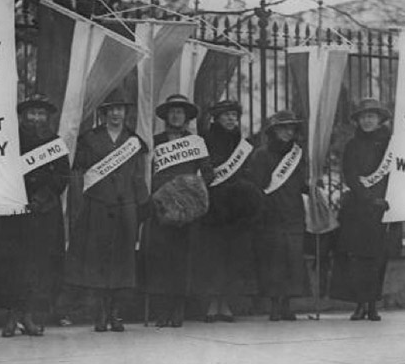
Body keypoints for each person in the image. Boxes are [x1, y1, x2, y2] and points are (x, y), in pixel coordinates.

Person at [0, 94, 70, 337]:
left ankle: (25, 317)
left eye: (41, 114)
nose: (36, 118)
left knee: (37, 267)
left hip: (43, 214)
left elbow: (61, 177)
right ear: (22, 116)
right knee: (11, 267)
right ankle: (12, 316)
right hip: (12, 214)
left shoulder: (55, 143)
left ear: (47, 117)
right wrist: (17, 198)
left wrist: (40, 199)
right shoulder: (8, 141)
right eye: (31, 113)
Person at [65, 89, 149, 332]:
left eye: (119, 109)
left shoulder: (133, 141)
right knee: (98, 259)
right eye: (110, 109)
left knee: (123, 261)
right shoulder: (89, 139)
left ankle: (116, 313)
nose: (115, 113)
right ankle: (100, 312)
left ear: (125, 113)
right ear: (103, 114)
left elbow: (138, 176)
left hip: (126, 207)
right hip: (98, 205)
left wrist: (141, 205)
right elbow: (78, 170)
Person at [143, 94, 213, 327]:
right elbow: (146, 172)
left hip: (186, 211)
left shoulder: (196, 142)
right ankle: (161, 310)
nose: (176, 115)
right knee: (161, 259)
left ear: (186, 117)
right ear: (166, 116)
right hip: (160, 208)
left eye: (180, 112)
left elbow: (208, 173)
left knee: (183, 260)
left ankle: (178, 309)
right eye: (172, 111)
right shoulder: (155, 141)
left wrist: (187, 192)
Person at [190, 100, 261, 323]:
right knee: (213, 257)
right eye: (227, 115)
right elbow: (202, 171)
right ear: (216, 118)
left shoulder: (242, 143)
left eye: (234, 115)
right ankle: (212, 303)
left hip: (236, 209)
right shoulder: (205, 140)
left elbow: (249, 172)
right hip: (213, 207)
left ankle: (226, 303)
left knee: (233, 257)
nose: (231, 119)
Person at [329, 98, 399, 322]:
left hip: (383, 209)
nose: (367, 121)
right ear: (358, 121)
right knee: (358, 259)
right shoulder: (352, 145)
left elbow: (396, 175)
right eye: (363, 117)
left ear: (380, 119)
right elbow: (349, 174)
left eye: (371, 116)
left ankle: (373, 305)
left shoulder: (392, 145)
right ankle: (360, 304)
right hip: (358, 209)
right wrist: (367, 197)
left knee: (378, 259)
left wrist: (384, 198)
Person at [249, 110, 309, 321]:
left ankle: (287, 304)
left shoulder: (297, 156)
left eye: (290, 128)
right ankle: (274, 304)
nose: (287, 132)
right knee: (273, 261)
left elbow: (302, 183)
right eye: (282, 128)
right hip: (270, 214)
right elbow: (256, 185)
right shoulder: (261, 155)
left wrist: (313, 189)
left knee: (293, 260)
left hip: (293, 212)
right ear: (273, 131)